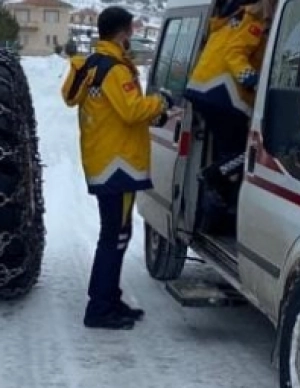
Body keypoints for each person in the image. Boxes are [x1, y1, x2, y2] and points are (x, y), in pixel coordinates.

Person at [61, 6, 173, 330]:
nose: (133, 38)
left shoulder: (95, 65)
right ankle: (99, 308)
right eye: (131, 32)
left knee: (116, 233)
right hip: (118, 165)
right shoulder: (114, 69)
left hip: (105, 161)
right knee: (115, 235)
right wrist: (161, 102)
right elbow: (131, 110)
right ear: (122, 33)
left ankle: (109, 298)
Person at [185, 0, 273, 197]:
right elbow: (234, 54)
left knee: (227, 151)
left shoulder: (232, 18)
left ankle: (217, 200)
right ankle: (211, 176)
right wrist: (254, 81)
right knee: (249, 153)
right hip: (223, 94)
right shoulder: (253, 21)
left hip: (202, 89)